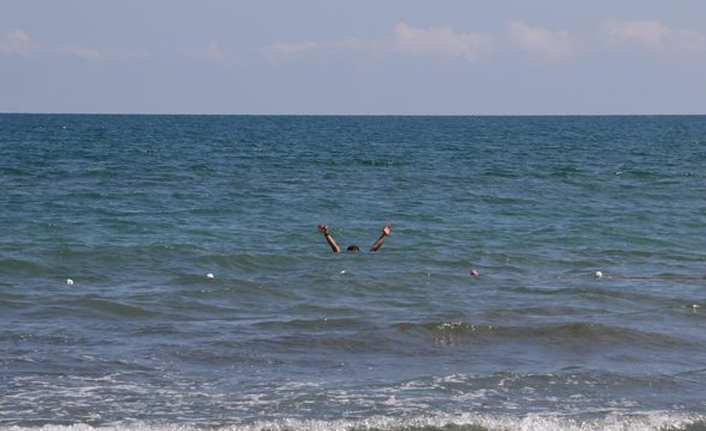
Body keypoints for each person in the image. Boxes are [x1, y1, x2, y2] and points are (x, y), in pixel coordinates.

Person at [317, 223, 392, 253]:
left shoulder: (343, 256)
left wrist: (326, 233)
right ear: (358, 251)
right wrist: (384, 235)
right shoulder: (362, 257)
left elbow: (335, 247)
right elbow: (374, 248)